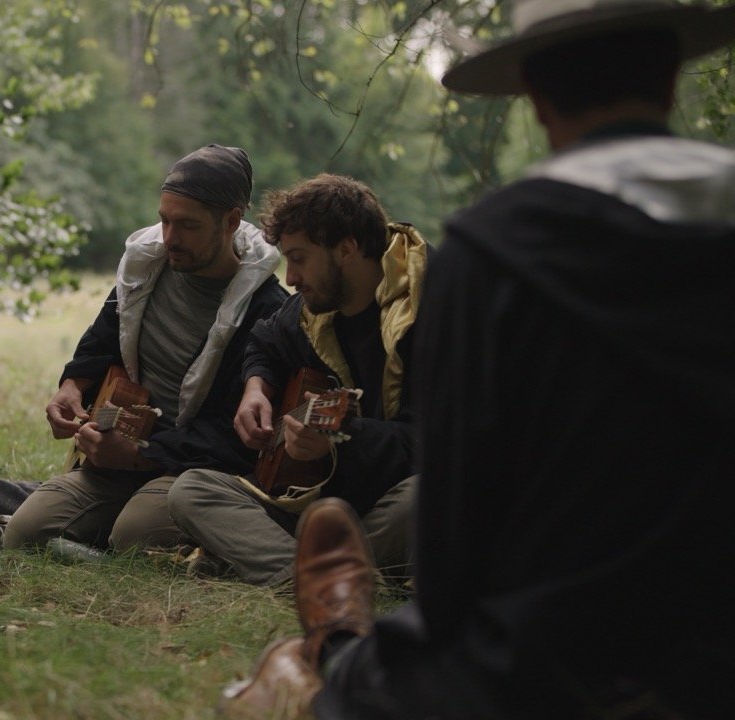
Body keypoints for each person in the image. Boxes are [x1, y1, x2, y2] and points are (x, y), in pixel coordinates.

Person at [222, 1, 735, 718]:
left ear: (536, 96)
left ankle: (333, 647)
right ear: (672, 82)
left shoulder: (491, 254)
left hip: (555, 654)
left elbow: (459, 524)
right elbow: (272, 339)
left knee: (374, 677)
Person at [2, 145, 287, 553]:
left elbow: (232, 438)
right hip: (122, 449)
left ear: (231, 221)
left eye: (187, 225)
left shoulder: (266, 309)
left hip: (192, 471)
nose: (170, 238)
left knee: (135, 536)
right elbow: (103, 337)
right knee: (25, 532)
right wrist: (71, 386)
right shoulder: (147, 267)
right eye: (164, 220)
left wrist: (142, 455)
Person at [168, 173, 426, 586]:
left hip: (390, 502)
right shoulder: (315, 307)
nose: (290, 279)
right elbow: (264, 342)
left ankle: (301, 575)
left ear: (346, 249)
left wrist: (341, 439)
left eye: (299, 258)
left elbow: (440, 441)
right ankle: (333, 577)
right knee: (192, 490)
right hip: (321, 501)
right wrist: (256, 388)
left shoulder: (429, 309)